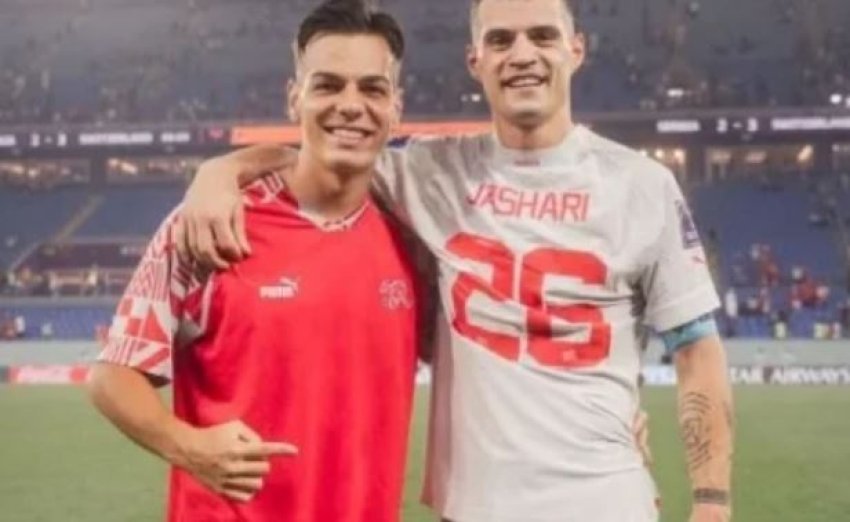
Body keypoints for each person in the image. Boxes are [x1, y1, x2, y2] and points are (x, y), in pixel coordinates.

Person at [181, 0, 733, 521]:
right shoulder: (433, 172)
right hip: (473, 507)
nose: (522, 54)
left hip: (603, 502)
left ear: (576, 49)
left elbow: (697, 348)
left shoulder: (642, 185)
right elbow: (322, 156)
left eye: (543, 36)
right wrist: (221, 171)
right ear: (475, 60)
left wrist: (712, 500)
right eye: (501, 40)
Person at [87, 1, 422, 521]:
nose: (350, 105)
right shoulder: (210, 223)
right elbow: (113, 376)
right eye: (327, 86)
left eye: (372, 89)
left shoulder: (413, 235)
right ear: (295, 99)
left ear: (396, 107)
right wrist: (188, 446)